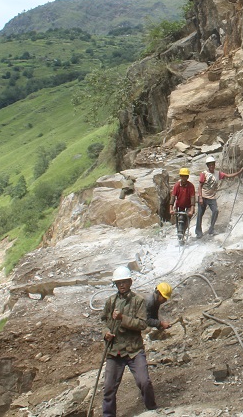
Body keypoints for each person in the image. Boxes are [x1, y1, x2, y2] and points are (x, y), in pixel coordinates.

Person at [101, 266, 157, 414]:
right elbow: (103, 321)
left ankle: (152, 409)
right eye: (118, 283)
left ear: (130, 282)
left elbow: (142, 324)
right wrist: (106, 332)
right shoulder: (110, 301)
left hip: (134, 350)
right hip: (115, 351)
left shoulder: (138, 301)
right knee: (108, 388)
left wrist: (122, 318)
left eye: (124, 282)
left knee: (144, 382)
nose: (121, 285)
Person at [194, 156, 243, 237]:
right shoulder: (204, 174)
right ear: (208, 166)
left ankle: (211, 228)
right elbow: (200, 186)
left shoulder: (218, 174)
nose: (211, 166)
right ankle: (198, 231)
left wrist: (239, 173)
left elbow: (228, 176)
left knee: (216, 211)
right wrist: (200, 197)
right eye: (210, 165)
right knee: (200, 214)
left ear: (214, 165)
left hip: (212, 197)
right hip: (203, 196)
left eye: (212, 164)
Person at [169, 168, 196, 237]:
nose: (184, 178)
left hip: (188, 205)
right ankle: (179, 231)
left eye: (185, 176)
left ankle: (184, 230)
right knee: (179, 219)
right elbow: (173, 197)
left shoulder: (191, 186)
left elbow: (192, 198)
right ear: (180, 176)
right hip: (180, 206)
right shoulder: (177, 185)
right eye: (182, 176)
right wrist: (171, 209)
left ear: (188, 177)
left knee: (187, 218)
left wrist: (192, 210)